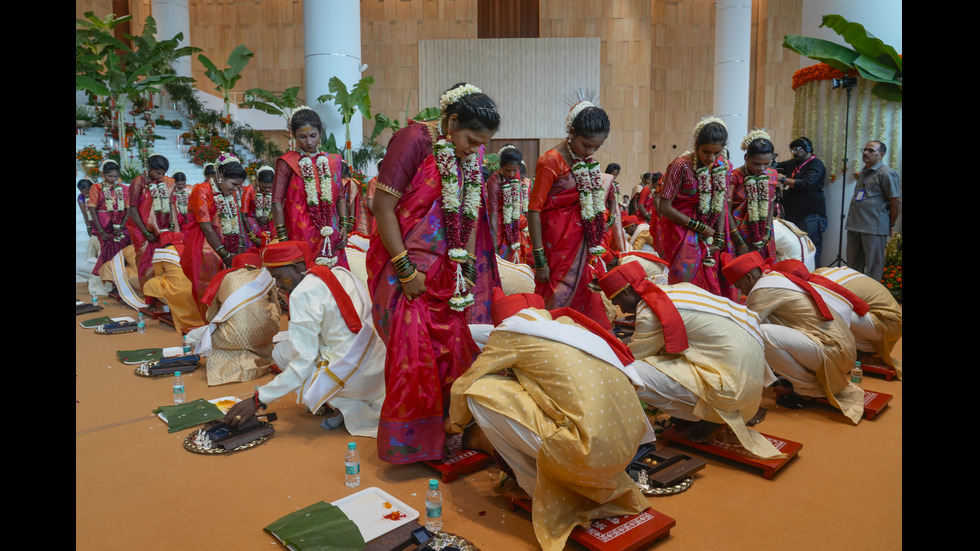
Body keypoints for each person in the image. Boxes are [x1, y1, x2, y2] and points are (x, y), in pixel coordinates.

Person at [448, 291, 655, 551]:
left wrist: (453, 424)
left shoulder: (509, 335)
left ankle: (533, 486)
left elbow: (464, 383)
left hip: (588, 456)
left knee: (478, 391)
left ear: (503, 323)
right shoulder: (569, 327)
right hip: (627, 449)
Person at [367, 82, 501, 464]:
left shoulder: (469, 153)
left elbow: (469, 209)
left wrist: (469, 263)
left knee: (450, 349)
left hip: (448, 271)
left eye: (482, 144)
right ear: (451, 120)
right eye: (472, 139)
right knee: (413, 355)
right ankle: (412, 443)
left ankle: (447, 432)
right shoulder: (413, 140)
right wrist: (406, 270)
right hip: (404, 268)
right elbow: (382, 207)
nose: (476, 150)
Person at [598, 262, 782, 458]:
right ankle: (701, 414)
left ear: (626, 292)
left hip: (731, 388)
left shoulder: (649, 312)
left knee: (627, 373)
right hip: (750, 379)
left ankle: (711, 417)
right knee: (662, 358)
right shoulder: (679, 288)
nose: (621, 310)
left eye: (617, 302)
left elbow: (634, 357)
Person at [222, 241, 387, 437]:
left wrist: (257, 400)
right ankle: (338, 400)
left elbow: (301, 364)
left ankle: (340, 404)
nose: (279, 285)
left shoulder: (302, 293)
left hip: (352, 381)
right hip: (380, 370)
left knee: (280, 353)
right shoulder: (341, 272)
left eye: (278, 277)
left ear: (294, 267)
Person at [722, 252, 864, 424]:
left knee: (760, 333)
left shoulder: (763, 290)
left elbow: (746, 330)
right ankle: (803, 381)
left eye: (739, 285)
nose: (741, 291)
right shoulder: (775, 277)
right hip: (842, 348)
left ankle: (808, 389)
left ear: (749, 277)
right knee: (765, 329)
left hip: (834, 351)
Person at [527, 100, 613, 327]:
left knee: (586, 292)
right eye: (586, 145)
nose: (590, 152)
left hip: (582, 244)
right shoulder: (550, 161)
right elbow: (534, 210)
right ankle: (553, 346)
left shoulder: (586, 160)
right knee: (555, 295)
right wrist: (540, 259)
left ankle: (583, 346)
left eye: (596, 147)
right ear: (572, 133)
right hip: (555, 247)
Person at [659, 116, 738, 301]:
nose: (711, 158)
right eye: (706, 151)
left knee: (710, 275)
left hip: (710, 227)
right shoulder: (681, 165)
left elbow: (721, 202)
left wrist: (718, 235)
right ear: (696, 145)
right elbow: (664, 207)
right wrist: (700, 227)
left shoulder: (722, 166)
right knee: (685, 279)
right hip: (680, 230)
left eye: (717, 152)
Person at [271, 107, 349, 269]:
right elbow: (277, 201)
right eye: (302, 137)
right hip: (298, 233)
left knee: (333, 277)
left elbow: (340, 196)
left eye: (313, 136)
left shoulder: (332, 161)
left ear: (320, 133)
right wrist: (283, 237)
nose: (308, 142)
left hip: (330, 230)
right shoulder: (286, 162)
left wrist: (344, 225)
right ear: (293, 135)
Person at [187, 251, 280, 386]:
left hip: (232, 338)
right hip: (265, 334)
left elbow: (211, 316)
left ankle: (229, 363)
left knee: (192, 338)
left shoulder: (226, 278)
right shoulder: (266, 278)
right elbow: (277, 307)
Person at [180, 152, 247, 317]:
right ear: (221, 177)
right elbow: (207, 227)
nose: (237, 189)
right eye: (234, 184)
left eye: (239, 186)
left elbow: (236, 221)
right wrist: (224, 254)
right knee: (207, 287)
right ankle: (208, 324)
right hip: (205, 246)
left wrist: (238, 248)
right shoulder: (202, 190)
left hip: (226, 247)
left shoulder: (229, 194)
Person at [814, 266, 902, 379]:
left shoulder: (818, 286)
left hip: (888, 324)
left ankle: (866, 349)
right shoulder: (825, 272)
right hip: (890, 319)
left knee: (829, 311)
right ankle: (865, 346)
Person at [845, 140, 901, 281]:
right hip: (855, 225)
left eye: (871, 150)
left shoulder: (886, 173)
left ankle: (871, 300)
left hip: (873, 227)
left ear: (881, 154)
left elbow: (896, 201)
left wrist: (891, 224)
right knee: (853, 266)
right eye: (864, 149)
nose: (865, 153)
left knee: (873, 268)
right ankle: (853, 297)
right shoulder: (864, 172)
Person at [776, 137, 827, 265]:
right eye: (792, 150)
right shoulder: (794, 163)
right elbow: (777, 166)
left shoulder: (816, 164)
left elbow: (806, 184)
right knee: (798, 249)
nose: (794, 152)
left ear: (808, 149)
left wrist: (783, 179)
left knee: (811, 248)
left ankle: (813, 279)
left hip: (810, 215)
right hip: (793, 214)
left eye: (797, 149)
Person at [141, 232, 205, 333]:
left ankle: (154, 305)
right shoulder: (190, 248)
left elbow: (158, 274)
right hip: (196, 289)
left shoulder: (162, 252)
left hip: (176, 292)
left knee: (151, 283)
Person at [729, 130, 779, 260]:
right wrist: (739, 242)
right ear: (746, 158)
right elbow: (726, 211)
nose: (762, 168)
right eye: (756, 164)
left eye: (767, 164)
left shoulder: (771, 175)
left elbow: (770, 204)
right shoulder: (734, 177)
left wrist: (767, 234)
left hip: (763, 234)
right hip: (736, 235)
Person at [127, 154, 175, 287]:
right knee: (145, 262)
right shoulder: (139, 181)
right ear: (149, 168)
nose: (160, 176)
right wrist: (146, 232)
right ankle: (149, 295)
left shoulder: (167, 182)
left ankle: (161, 293)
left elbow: (170, 205)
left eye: (163, 173)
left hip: (162, 230)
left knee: (162, 262)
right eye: (157, 173)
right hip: (141, 230)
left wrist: (170, 225)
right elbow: (133, 209)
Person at [486, 144, 532, 263]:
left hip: (513, 222)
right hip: (498, 225)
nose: (511, 174)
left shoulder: (516, 175)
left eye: (514, 170)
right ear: (501, 166)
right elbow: (493, 214)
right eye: (507, 170)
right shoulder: (494, 182)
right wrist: (494, 244)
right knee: (500, 260)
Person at [88, 161, 132, 276]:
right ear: (103, 174)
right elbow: (92, 209)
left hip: (121, 226)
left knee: (123, 254)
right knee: (107, 254)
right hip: (104, 226)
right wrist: (101, 231)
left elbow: (128, 210)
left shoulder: (124, 189)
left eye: (116, 176)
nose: (113, 179)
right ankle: (109, 281)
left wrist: (121, 227)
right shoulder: (96, 187)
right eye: (109, 176)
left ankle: (122, 281)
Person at [242, 165, 275, 247]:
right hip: (250, 223)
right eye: (264, 186)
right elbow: (243, 215)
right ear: (257, 181)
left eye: (270, 187)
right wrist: (254, 238)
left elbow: (276, 208)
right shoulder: (249, 190)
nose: (267, 190)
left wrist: (268, 218)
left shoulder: (273, 190)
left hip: (268, 221)